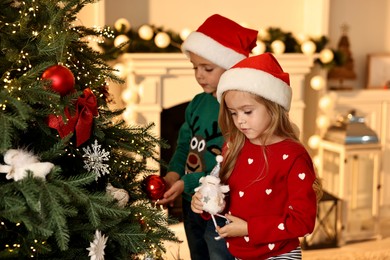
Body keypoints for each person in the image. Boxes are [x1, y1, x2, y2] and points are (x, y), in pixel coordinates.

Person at [191, 52, 323, 260]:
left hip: (279, 254)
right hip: (240, 253)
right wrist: (204, 203)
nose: (239, 121)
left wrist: (249, 229)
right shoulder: (233, 147)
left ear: (273, 107)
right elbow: (224, 197)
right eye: (233, 113)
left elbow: (303, 221)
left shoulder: (293, 156)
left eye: (247, 111)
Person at [157, 14, 258, 260]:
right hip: (193, 204)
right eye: (195, 68)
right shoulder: (197, 104)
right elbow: (184, 146)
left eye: (207, 68)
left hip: (221, 205)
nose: (199, 75)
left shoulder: (238, 111)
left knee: (219, 255)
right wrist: (172, 175)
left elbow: (229, 167)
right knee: (197, 253)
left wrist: (186, 183)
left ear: (231, 66)